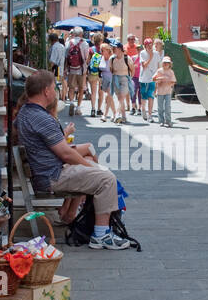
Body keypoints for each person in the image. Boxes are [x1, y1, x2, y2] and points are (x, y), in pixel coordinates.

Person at [15, 70, 131, 250]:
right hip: (53, 176)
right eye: (54, 88)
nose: (55, 91)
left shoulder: (25, 112)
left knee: (95, 166)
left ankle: (87, 221)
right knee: (106, 178)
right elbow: (66, 154)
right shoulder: (41, 118)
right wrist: (93, 169)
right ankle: (101, 235)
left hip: (46, 172)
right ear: (46, 91)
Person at [108, 34, 132, 123]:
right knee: (119, 98)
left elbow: (132, 69)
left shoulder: (127, 58)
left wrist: (130, 78)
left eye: (115, 48)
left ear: (120, 49)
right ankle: (124, 116)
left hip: (125, 78)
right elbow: (111, 69)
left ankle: (117, 115)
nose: (113, 49)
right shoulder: (112, 58)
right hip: (116, 78)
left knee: (121, 97)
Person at [63, 29, 87, 114]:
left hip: (71, 69)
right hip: (81, 69)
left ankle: (72, 102)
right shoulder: (84, 43)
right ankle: (78, 108)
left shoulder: (68, 43)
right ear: (81, 34)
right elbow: (85, 58)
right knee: (81, 88)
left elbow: (66, 57)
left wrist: (65, 69)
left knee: (71, 87)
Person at [153, 55, 176, 127]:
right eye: (164, 62)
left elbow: (174, 81)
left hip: (168, 92)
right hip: (160, 91)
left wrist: (168, 81)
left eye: (167, 63)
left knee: (167, 107)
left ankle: (168, 121)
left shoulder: (171, 72)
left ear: (170, 64)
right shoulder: (159, 71)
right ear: (162, 63)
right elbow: (154, 78)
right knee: (160, 107)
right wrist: (159, 79)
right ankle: (161, 121)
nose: (166, 64)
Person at [138, 38, 158, 122]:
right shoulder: (142, 53)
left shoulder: (156, 53)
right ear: (145, 46)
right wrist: (150, 57)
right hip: (143, 78)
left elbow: (159, 65)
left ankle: (150, 115)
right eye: (148, 45)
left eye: (151, 45)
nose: (150, 47)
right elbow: (144, 66)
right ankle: (143, 110)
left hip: (152, 78)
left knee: (151, 96)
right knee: (144, 96)